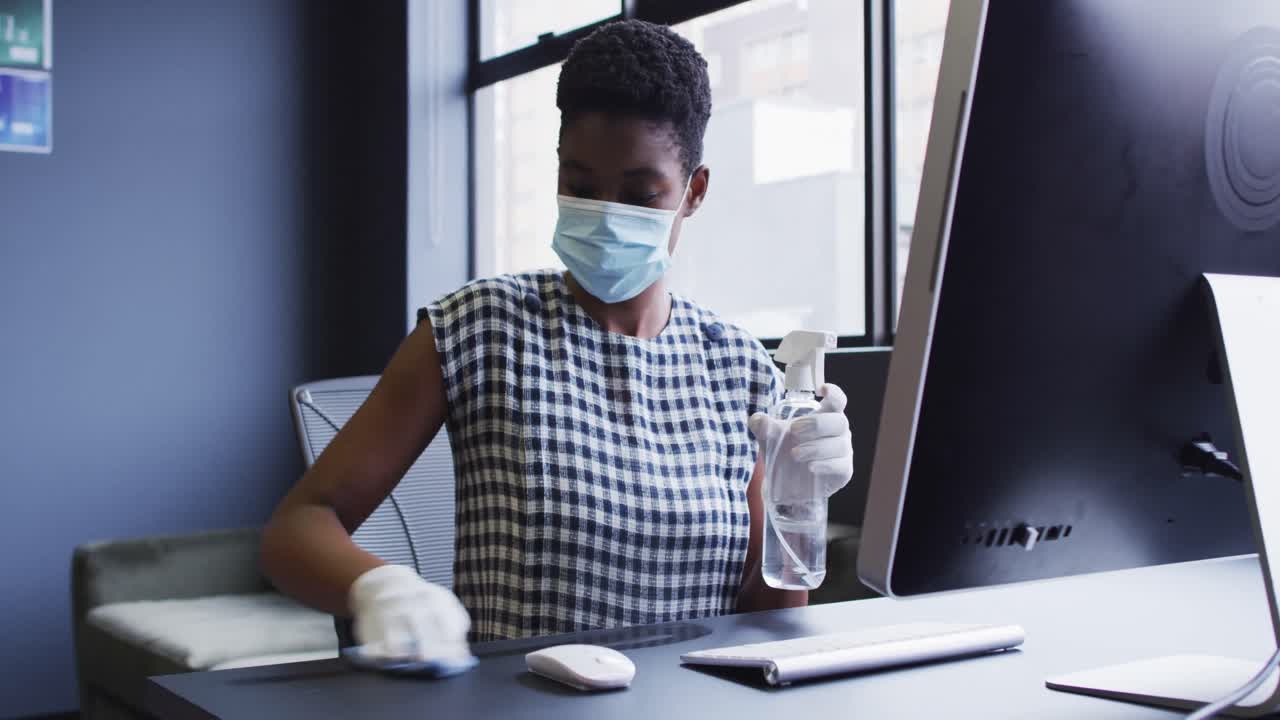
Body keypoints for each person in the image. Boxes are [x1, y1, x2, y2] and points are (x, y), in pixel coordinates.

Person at [261, 18, 854, 664]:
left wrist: (800, 506)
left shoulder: (739, 369)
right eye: (580, 185)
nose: (603, 211)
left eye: (639, 193)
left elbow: (764, 625)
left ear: (694, 191)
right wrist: (377, 587)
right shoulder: (481, 329)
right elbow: (296, 529)